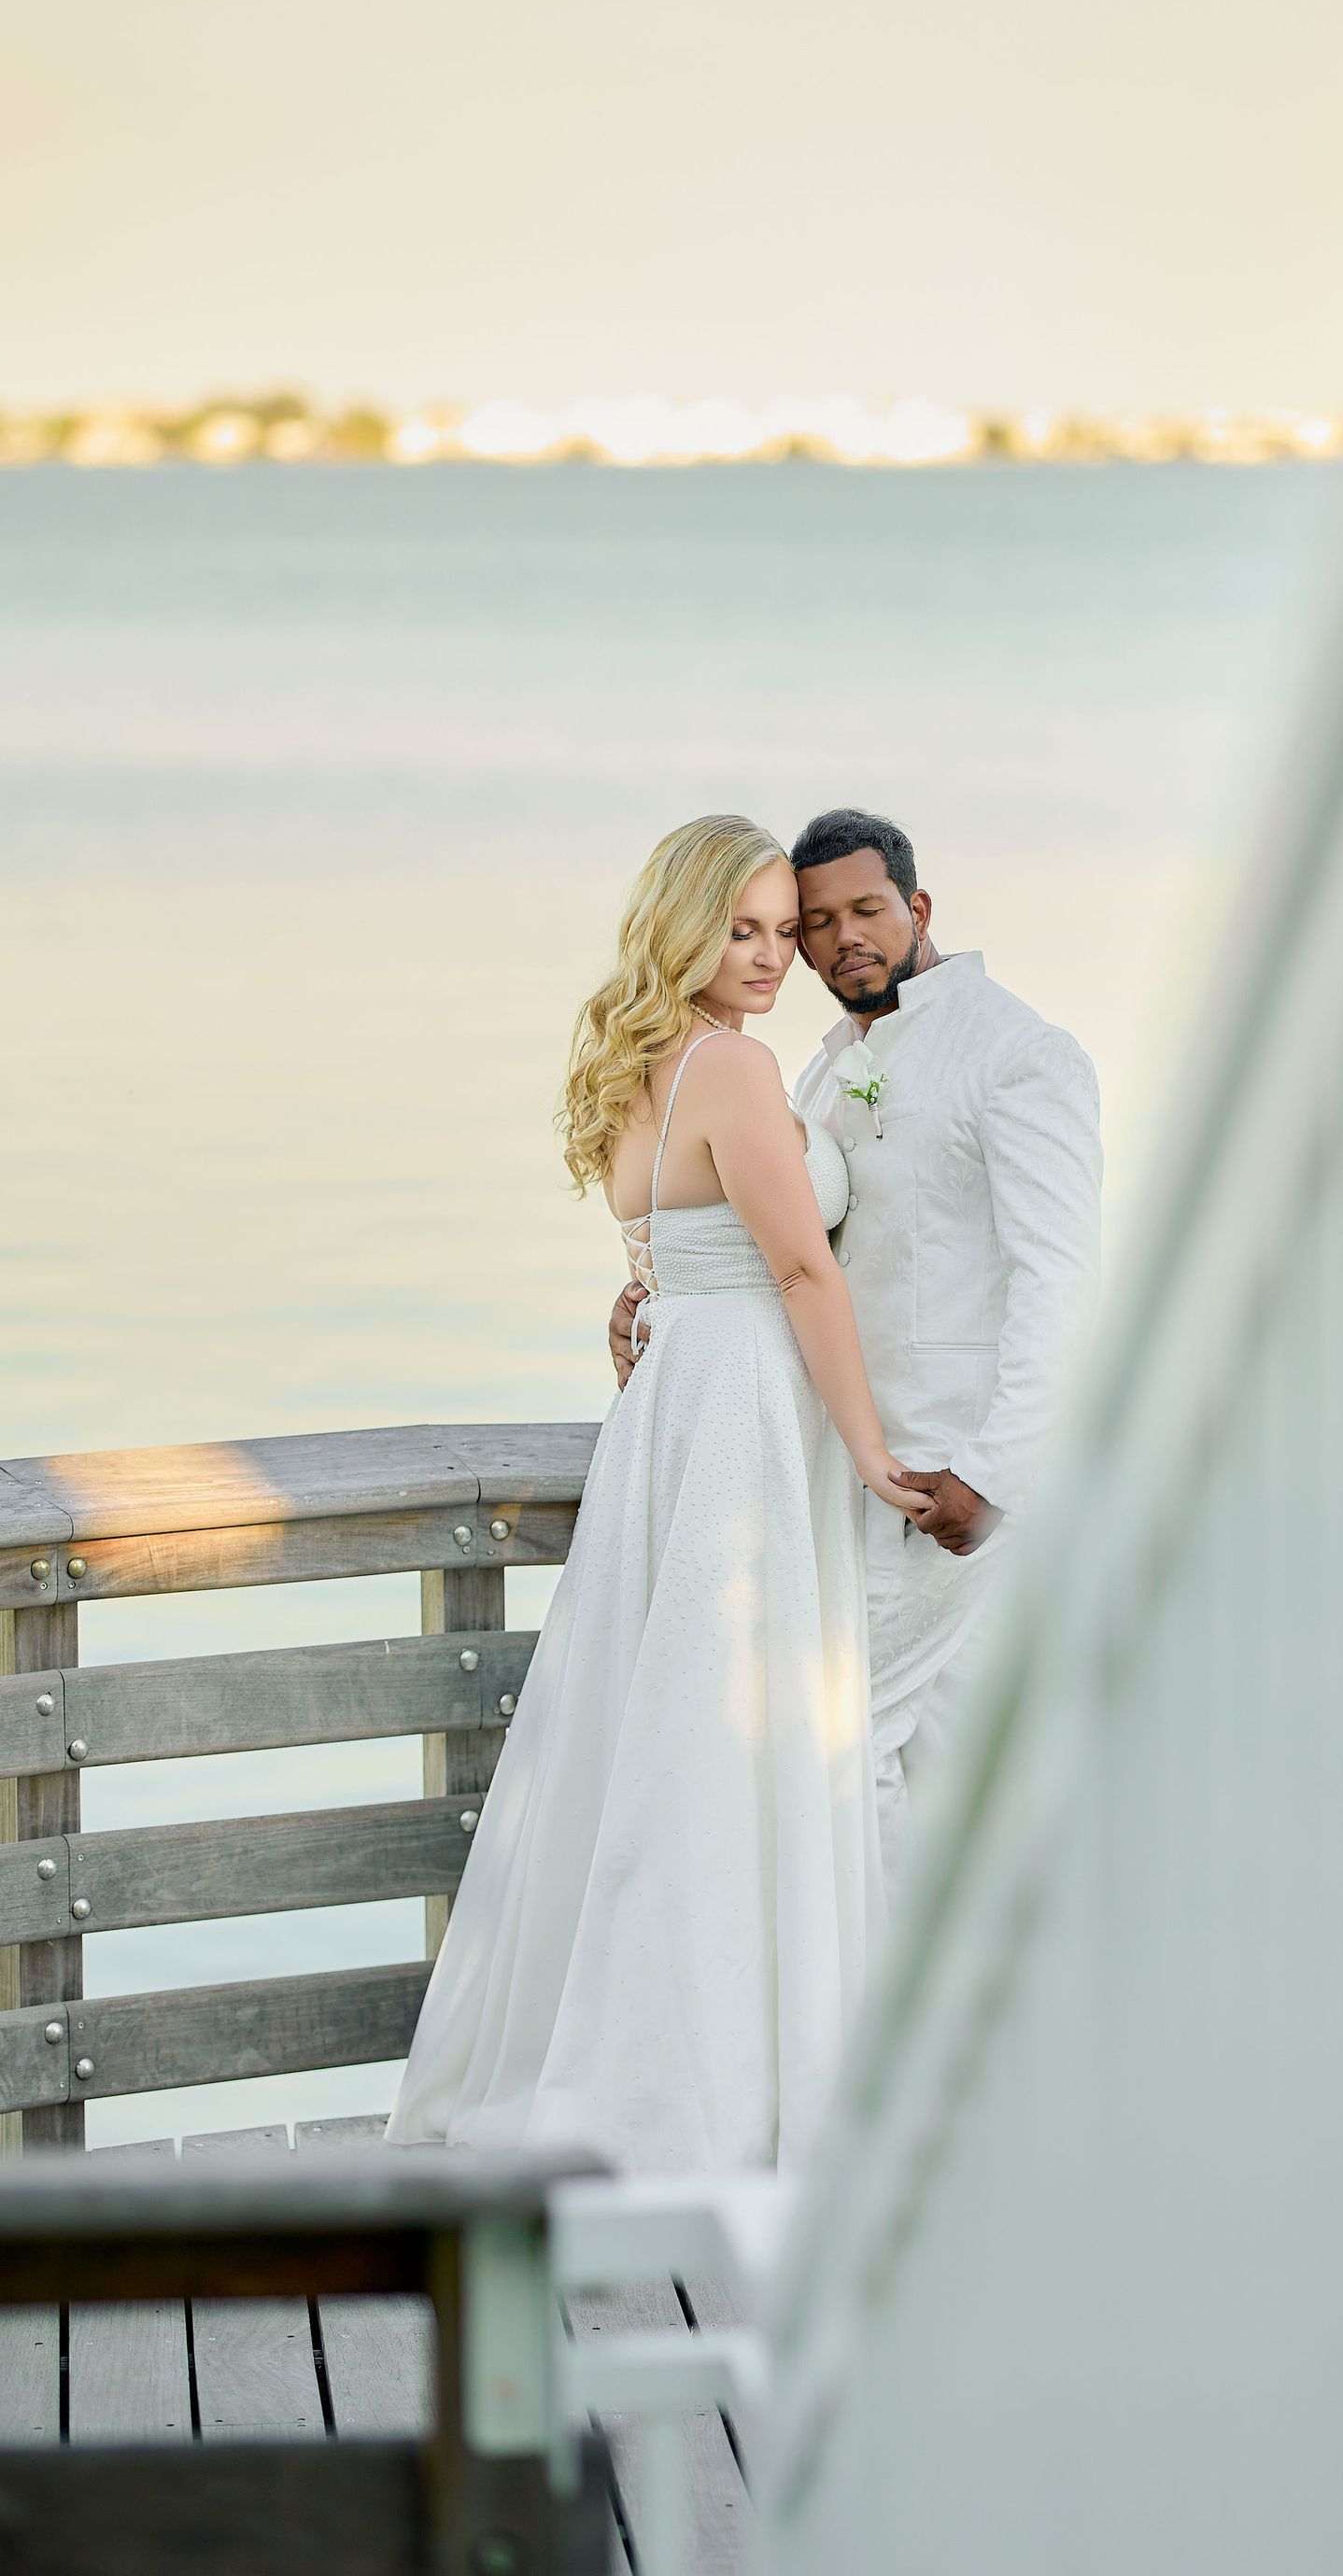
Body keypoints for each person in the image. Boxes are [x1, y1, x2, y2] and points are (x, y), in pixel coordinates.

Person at [387, 815, 926, 2173]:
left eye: (777, 931)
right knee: (728, 1730)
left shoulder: (638, 1069)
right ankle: (703, 2080)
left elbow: (667, 1254)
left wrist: (644, 1306)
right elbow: (804, 1273)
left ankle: (674, 2045)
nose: (767, 960)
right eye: (737, 931)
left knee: (663, 1723)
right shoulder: (737, 1070)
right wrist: (868, 1451)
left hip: (674, 1399)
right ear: (683, 929)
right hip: (744, 1406)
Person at [613, 808, 1102, 1875]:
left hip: (942, 1474)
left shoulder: (1020, 1056)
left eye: (864, 911)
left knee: (835, 1735)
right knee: (948, 1756)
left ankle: (861, 2016)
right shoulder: (829, 1068)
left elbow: (1059, 1285)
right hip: (841, 1468)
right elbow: (771, 1229)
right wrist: (653, 1288)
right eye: (812, 922)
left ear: (918, 908)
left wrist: (994, 1472)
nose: (836, 942)